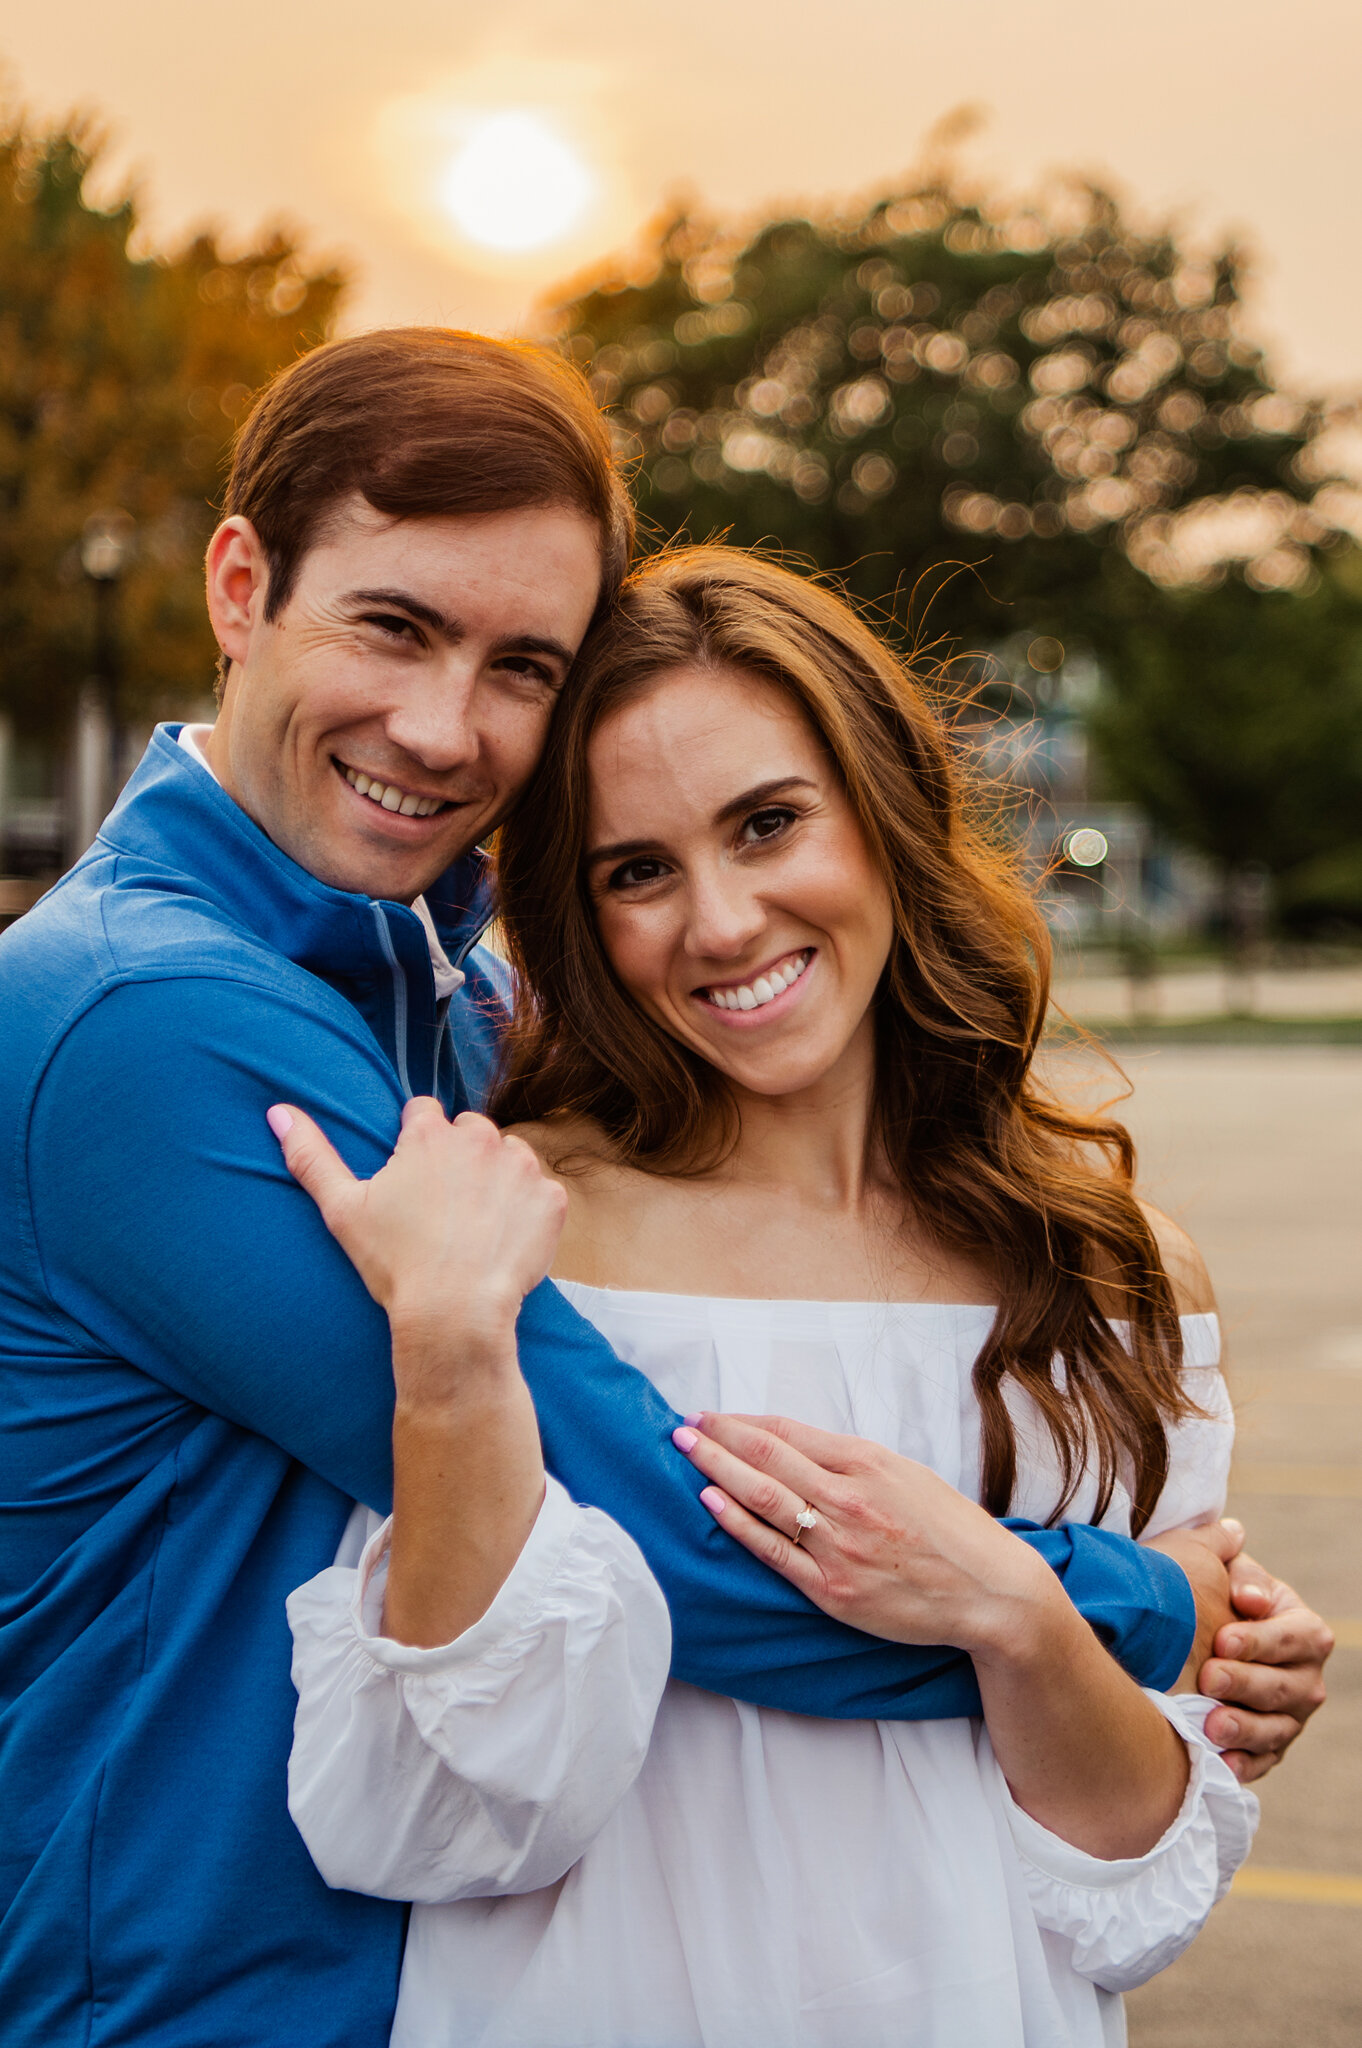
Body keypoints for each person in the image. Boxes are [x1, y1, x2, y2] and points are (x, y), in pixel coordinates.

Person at [0, 333, 1328, 2047]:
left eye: (522, 665)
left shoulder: (426, 983)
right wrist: (1147, 1608)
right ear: (240, 586)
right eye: (393, 626)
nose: (441, 725)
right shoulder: (154, 1015)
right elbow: (666, 1550)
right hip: (197, 1986)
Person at [277, 546, 1310, 2046]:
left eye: (767, 824)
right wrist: (447, 1359)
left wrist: (1010, 1607)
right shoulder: (511, 1223)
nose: (720, 922)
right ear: (577, 914)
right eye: (637, 870)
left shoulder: (1103, 1266)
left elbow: (1124, 1879)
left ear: (885, 814)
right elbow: (427, 1823)